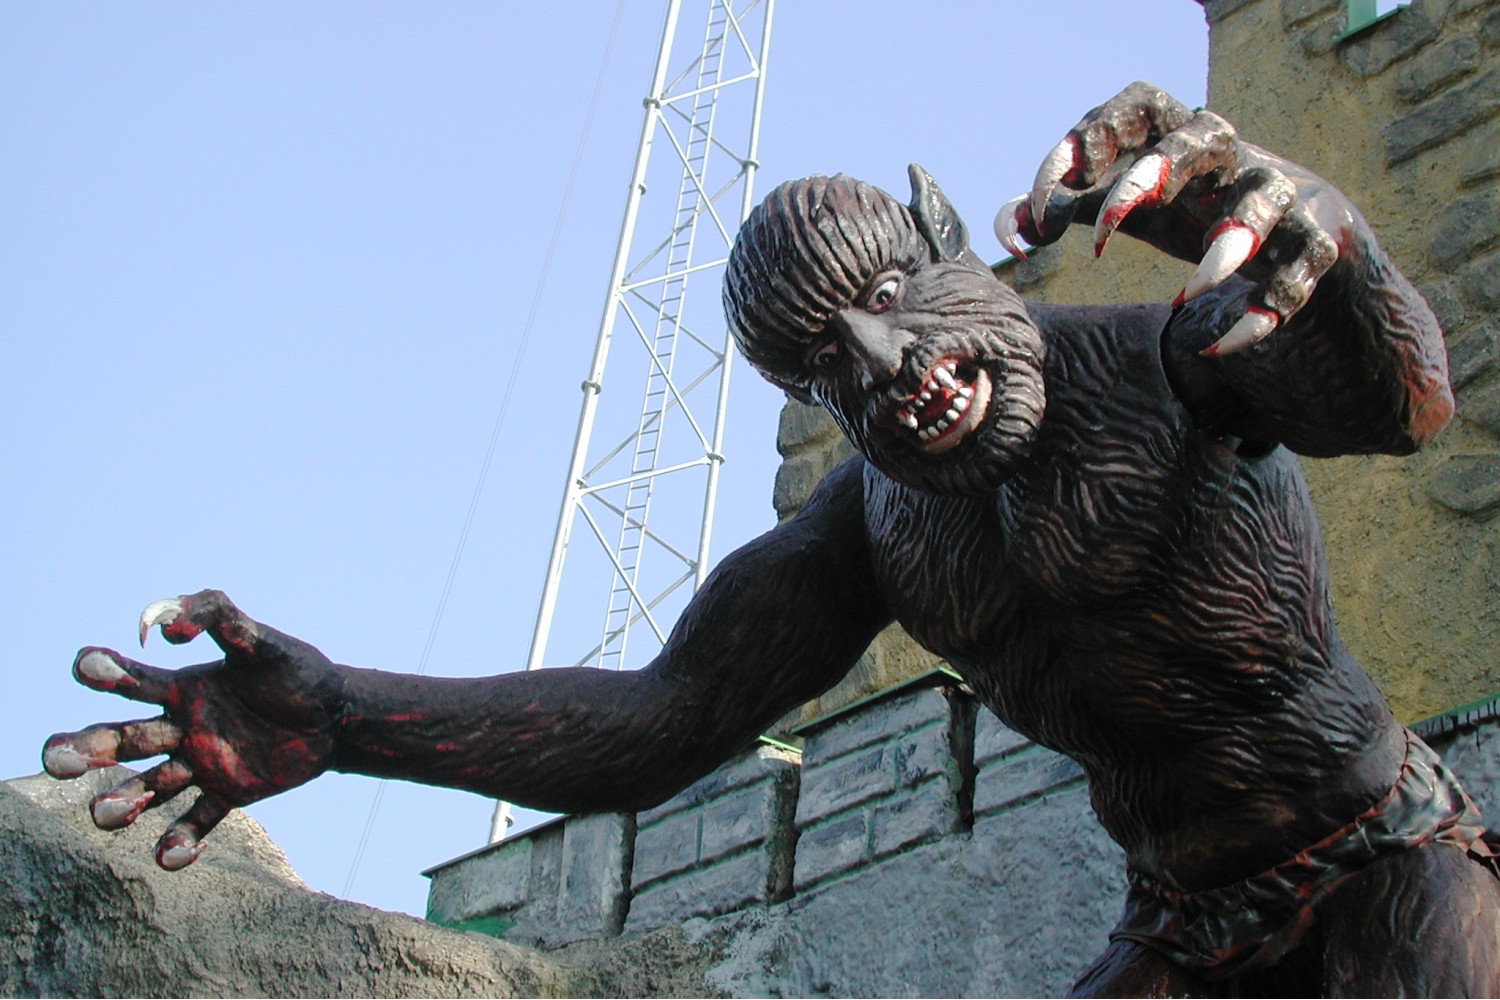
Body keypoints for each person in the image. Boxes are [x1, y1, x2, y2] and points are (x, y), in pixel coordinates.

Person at [43, 83, 1500, 995]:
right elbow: (663, 721)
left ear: (954, 249)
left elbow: (1396, 406)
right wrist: (347, 716)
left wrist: (1327, 228)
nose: (880, 365)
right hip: (1183, 923)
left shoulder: (1163, 363)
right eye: (820, 365)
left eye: (890, 299)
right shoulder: (873, 528)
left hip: (1386, 849)